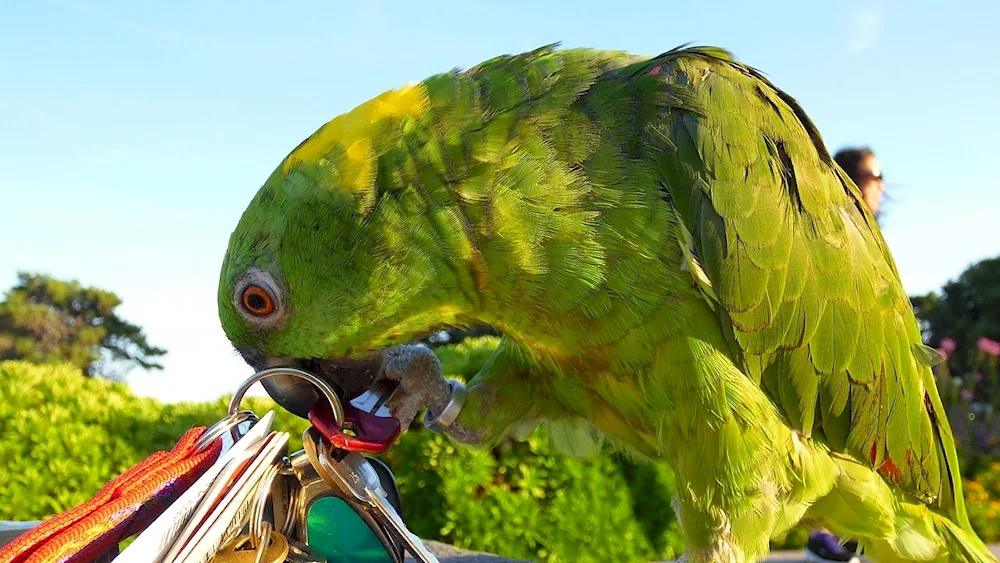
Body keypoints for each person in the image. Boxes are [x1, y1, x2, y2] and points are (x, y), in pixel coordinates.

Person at [804, 146, 885, 563]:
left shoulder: (874, 237)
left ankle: (842, 537)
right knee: (827, 441)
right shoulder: (831, 228)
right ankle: (824, 538)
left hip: (868, 360)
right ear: (853, 179)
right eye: (875, 175)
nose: (882, 185)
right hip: (830, 354)